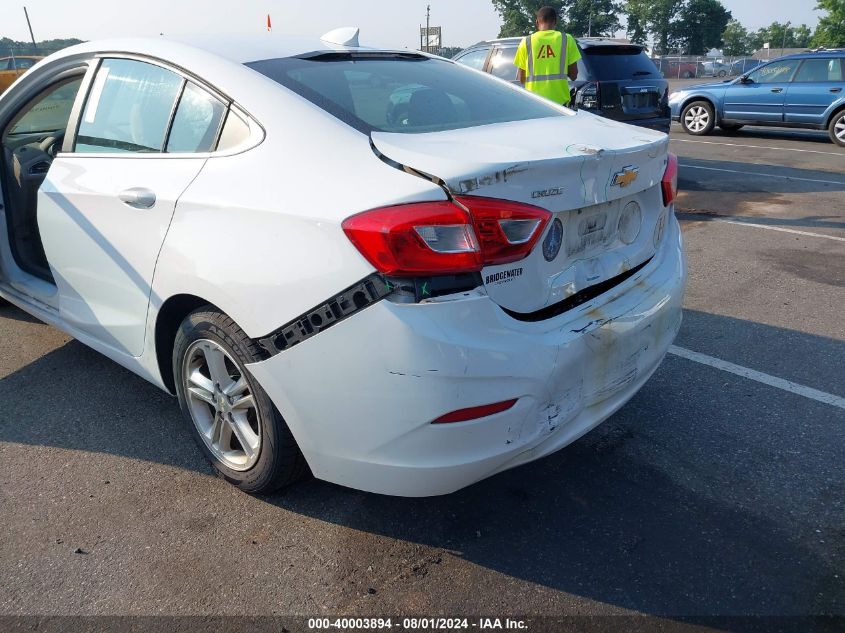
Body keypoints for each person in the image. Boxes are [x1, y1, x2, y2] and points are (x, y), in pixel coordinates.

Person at [514, 6, 581, 106]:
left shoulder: (526, 42)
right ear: (555, 21)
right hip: (560, 106)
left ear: (537, 22)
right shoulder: (566, 39)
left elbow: (521, 78)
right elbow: (574, 75)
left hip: (534, 104)